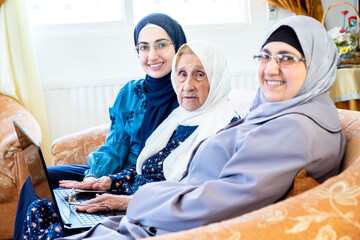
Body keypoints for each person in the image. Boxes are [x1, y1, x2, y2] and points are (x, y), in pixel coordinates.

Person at [57, 15, 346, 239]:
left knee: (49, 222)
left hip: (177, 223)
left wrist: (133, 202)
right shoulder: (284, 111)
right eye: (265, 56)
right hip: (165, 209)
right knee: (53, 206)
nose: (271, 68)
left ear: (317, 65)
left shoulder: (294, 128)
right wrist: (110, 183)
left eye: (286, 58)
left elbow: (222, 199)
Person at [21, 41, 238, 239]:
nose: (188, 85)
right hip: (124, 199)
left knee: (53, 229)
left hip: (147, 217)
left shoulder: (223, 129)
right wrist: (108, 181)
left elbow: (197, 198)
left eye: (200, 75)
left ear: (217, 78)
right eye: (182, 74)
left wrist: (126, 203)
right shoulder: (178, 118)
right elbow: (145, 167)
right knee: (39, 209)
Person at [13, 13, 187, 240]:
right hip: (114, 173)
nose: (151, 55)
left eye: (161, 45)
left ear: (180, 47)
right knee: (38, 181)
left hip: (143, 182)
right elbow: (115, 148)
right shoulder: (129, 93)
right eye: (143, 48)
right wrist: (91, 178)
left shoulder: (188, 94)